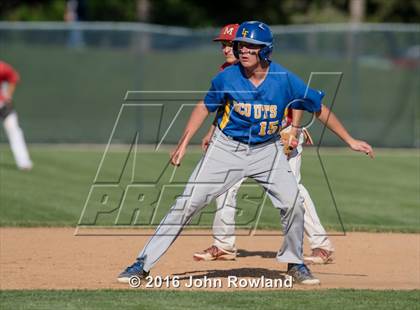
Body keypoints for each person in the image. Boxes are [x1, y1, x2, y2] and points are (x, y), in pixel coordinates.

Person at [118, 20, 327, 285]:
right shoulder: (227, 76)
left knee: (293, 201)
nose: (238, 49)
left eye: (247, 45)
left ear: (264, 50)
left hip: (269, 148)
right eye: (237, 45)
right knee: (188, 203)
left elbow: (305, 101)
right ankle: (142, 263)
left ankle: (296, 262)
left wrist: (296, 128)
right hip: (228, 148)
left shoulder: (280, 76)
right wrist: (186, 141)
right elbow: (210, 107)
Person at [192, 24, 374, 265]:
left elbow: (299, 100)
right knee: (226, 187)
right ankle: (224, 244)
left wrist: (295, 130)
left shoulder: (266, 69)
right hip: (246, 140)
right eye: (223, 44)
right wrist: (211, 131)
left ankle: (321, 245)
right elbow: (229, 108)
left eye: (228, 43)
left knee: (293, 191)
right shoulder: (230, 71)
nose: (225, 48)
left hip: (282, 134)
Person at [0, 60, 33, 171]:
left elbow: (13, 78)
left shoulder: (2, 67)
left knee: (14, 130)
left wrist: (8, 95)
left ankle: (24, 162)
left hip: (3, 105)